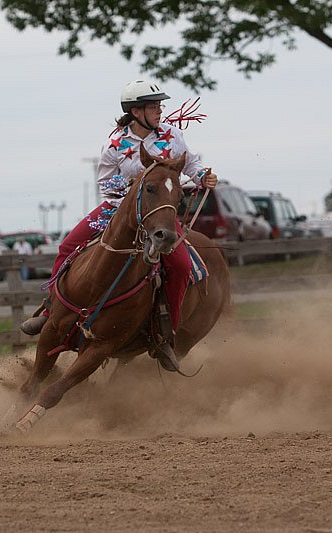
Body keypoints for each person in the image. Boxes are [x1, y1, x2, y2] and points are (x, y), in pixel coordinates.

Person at [20, 79, 218, 372]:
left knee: (181, 266)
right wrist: (131, 186)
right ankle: (51, 309)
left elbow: (191, 164)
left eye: (159, 106)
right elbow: (105, 183)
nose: (159, 110)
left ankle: (166, 334)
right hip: (116, 210)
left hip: (157, 212)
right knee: (67, 245)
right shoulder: (115, 143)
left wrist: (203, 176)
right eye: (153, 106)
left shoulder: (172, 136)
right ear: (136, 111)